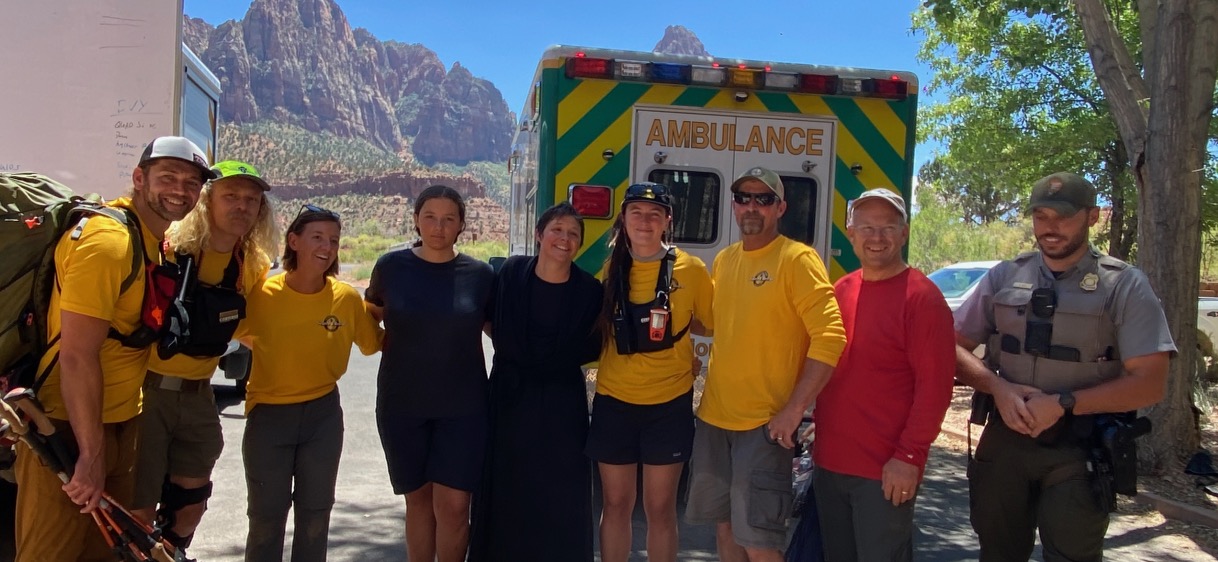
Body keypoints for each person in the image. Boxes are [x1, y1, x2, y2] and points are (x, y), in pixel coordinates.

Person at [955, 172, 1176, 561]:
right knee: (996, 553)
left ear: (1092, 217)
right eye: (1041, 216)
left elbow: (1150, 383)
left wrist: (1064, 403)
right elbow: (949, 348)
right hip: (1005, 443)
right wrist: (998, 388)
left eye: (1063, 216)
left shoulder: (1124, 286)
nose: (1050, 227)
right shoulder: (1006, 276)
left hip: (1080, 449)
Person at [14, 136, 214, 561]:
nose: (180, 189)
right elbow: (77, 354)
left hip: (121, 421)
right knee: (50, 554)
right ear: (139, 179)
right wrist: (90, 453)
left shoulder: (151, 241)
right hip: (67, 431)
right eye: (168, 177)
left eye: (192, 182)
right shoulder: (108, 242)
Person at [685, 166, 846, 562]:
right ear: (734, 206)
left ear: (780, 208)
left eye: (764, 199)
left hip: (764, 425)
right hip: (714, 419)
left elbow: (831, 335)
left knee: (759, 540)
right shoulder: (725, 260)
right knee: (725, 529)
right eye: (744, 198)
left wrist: (794, 411)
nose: (752, 206)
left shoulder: (797, 259)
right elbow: (717, 322)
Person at [131, 160, 278, 552]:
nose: (242, 206)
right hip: (147, 395)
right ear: (206, 201)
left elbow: (257, 332)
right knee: (138, 509)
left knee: (191, 503)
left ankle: (173, 552)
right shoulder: (170, 249)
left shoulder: (252, 265)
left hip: (199, 398)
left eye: (252, 199)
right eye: (231, 196)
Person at [811, 188, 956, 561]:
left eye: (888, 228)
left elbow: (935, 388)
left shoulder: (922, 298)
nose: (877, 238)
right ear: (851, 233)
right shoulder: (840, 290)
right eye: (867, 228)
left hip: (885, 471)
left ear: (904, 233)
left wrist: (910, 456)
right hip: (830, 464)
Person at [236, 204, 382, 562]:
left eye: (333, 240)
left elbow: (373, 343)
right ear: (294, 241)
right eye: (317, 237)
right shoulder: (262, 295)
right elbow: (239, 331)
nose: (327, 246)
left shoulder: (345, 299)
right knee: (266, 518)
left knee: (316, 514)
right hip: (269, 416)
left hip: (322, 416)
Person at [467, 202, 603, 562]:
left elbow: (596, 343)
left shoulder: (590, 291)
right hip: (509, 397)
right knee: (507, 487)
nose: (565, 238)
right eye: (557, 229)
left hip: (562, 404)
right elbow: (486, 316)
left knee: (560, 490)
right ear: (539, 234)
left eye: (573, 234)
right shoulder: (511, 273)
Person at [366, 185, 495, 562]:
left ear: (461, 226)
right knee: (418, 502)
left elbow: (499, 331)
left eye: (448, 219)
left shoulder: (481, 274)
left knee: (455, 506)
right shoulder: (391, 267)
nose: (438, 227)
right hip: (402, 405)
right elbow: (369, 318)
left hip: (464, 409)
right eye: (430, 218)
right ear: (417, 221)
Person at [586, 183, 712, 562]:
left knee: (660, 509)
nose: (645, 221)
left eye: (654, 214)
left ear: (667, 221)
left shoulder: (691, 269)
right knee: (616, 503)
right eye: (636, 212)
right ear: (623, 219)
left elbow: (708, 323)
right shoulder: (610, 270)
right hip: (614, 402)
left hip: (667, 406)